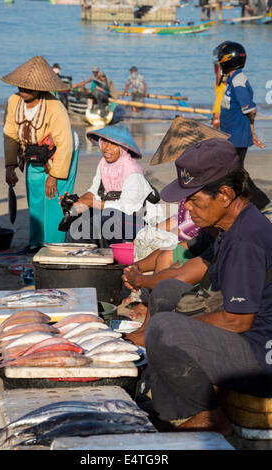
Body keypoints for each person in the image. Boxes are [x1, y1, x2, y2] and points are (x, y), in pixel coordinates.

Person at [143, 138, 272, 437]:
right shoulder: (233, 225)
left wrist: (184, 327)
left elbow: (238, 320)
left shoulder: (245, 241)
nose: (187, 208)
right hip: (254, 337)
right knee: (170, 299)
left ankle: (208, 417)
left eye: (194, 200)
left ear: (225, 194)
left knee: (164, 329)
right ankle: (173, 409)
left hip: (261, 357)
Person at [2, 56, 79, 251]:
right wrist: (10, 165)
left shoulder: (55, 107)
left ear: (42, 88)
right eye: (20, 86)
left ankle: (53, 247)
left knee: (53, 200)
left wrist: (54, 175)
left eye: (28, 88)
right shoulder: (13, 101)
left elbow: (65, 143)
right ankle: (36, 244)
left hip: (61, 153)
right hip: (33, 153)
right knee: (35, 199)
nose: (23, 90)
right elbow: (10, 133)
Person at [65, 124, 163, 247]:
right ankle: (77, 257)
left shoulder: (133, 172)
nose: (107, 148)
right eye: (104, 142)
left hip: (142, 224)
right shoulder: (103, 164)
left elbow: (127, 208)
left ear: (123, 148)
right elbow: (94, 191)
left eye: (113, 144)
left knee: (101, 221)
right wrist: (76, 201)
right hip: (114, 216)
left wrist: (91, 203)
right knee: (74, 219)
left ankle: (104, 255)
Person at [214, 41, 270, 211]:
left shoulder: (238, 81)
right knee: (234, 171)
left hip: (237, 136)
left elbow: (250, 110)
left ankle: (259, 202)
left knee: (234, 172)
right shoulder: (232, 79)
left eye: (220, 59)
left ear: (228, 60)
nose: (219, 62)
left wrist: (252, 132)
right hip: (231, 134)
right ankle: (253, 202)